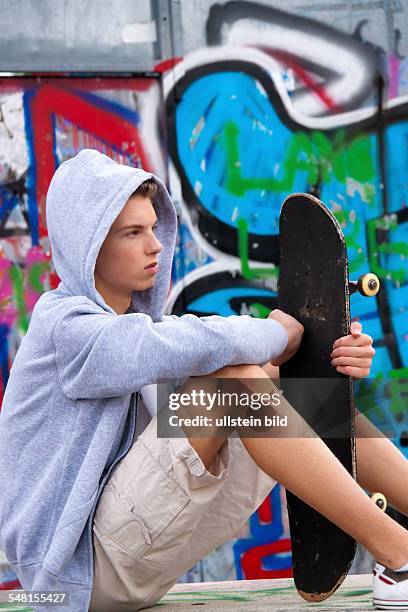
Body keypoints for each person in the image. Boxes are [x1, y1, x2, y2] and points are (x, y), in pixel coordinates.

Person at [0, 149, 405, 612]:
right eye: (133, 233)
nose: (155, 245)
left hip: (132, 558)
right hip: (77, 576)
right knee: (229, 384)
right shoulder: (66, 327)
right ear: (87, 244)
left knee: (300, 390)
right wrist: (274, 334)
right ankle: (400, 555)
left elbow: (241, 387)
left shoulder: (129, 326)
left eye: (154, 228)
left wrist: (329, 359)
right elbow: (184, 349)